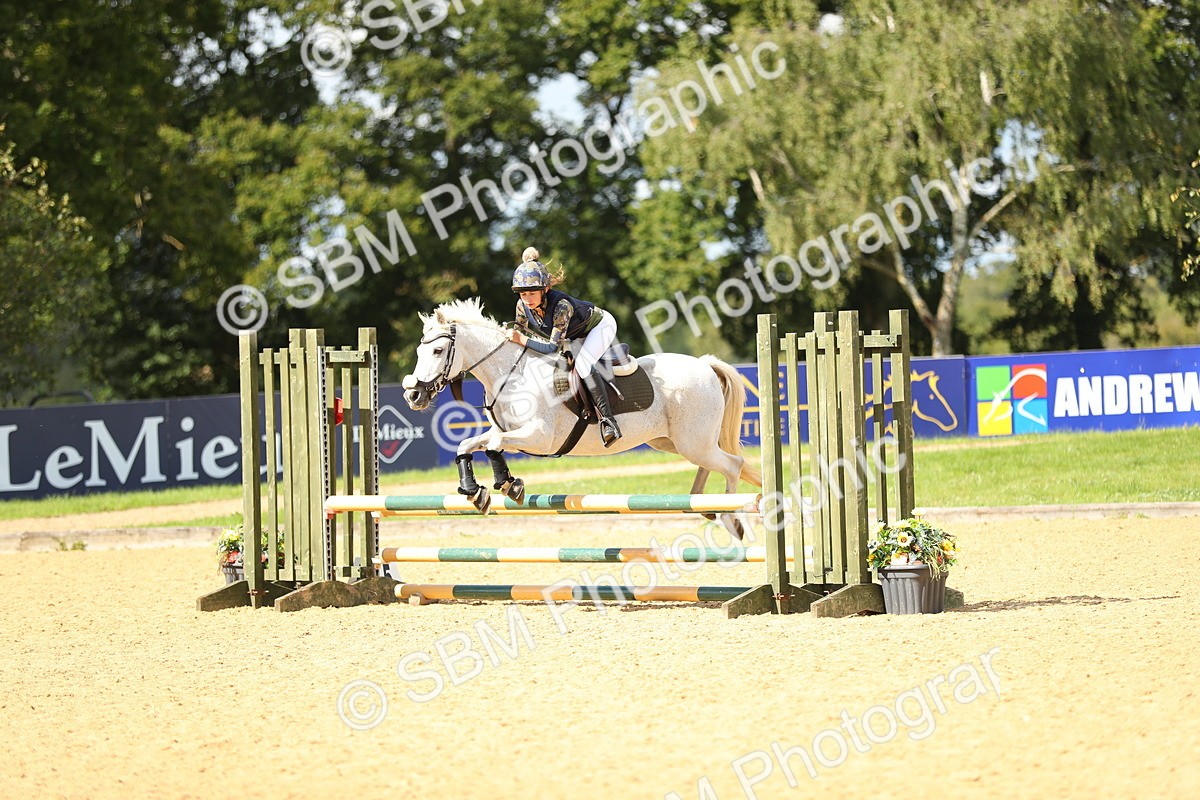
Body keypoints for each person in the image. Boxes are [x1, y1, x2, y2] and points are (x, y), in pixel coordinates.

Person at [507, 246, 622, 447]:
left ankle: (609, 422)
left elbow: (550, 347)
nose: (527, 299)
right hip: (573, 336)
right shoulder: (522, 305)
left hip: (599, 326)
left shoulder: (561, 306)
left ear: (546, 289)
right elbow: (518, 331)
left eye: (532, 293)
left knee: (584, 364)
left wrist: (520, 339)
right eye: (523, 294)